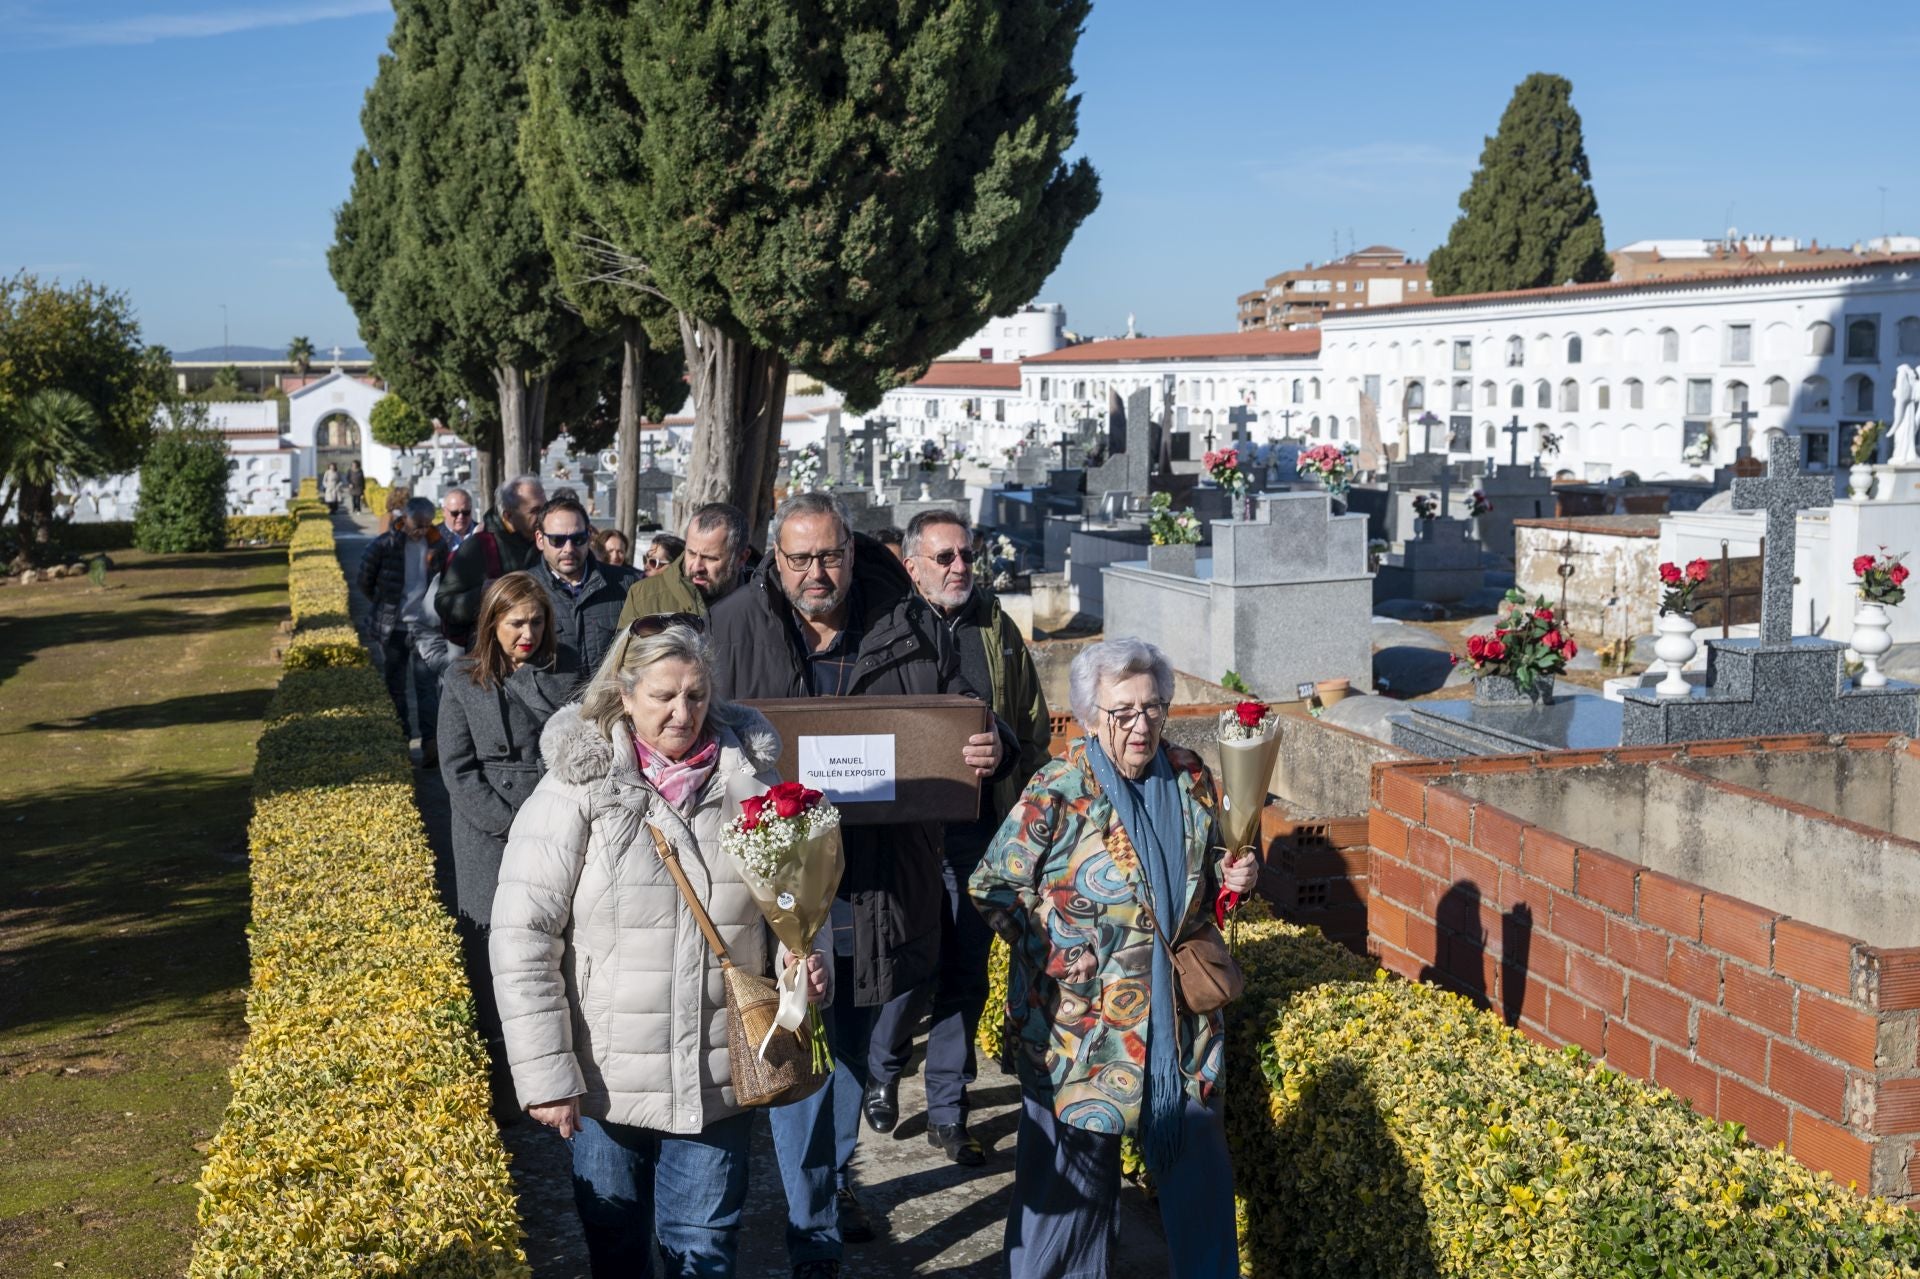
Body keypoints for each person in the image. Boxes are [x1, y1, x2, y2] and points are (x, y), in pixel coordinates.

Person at [708, 490, 1011, 1273]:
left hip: (876, 878)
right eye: (800, 558)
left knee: (846, 1047)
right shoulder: (735, 624)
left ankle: (833, 1179)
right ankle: (809, 1216)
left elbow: (969, 711)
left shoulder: (909, 618)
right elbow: (695, 726)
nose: (818, 572)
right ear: (774, 560)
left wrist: (993, 748)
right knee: (790, 1040)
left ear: (853, 550)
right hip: (777, 877)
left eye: (831, 555)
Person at [491, 618, 831, 1278]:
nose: (684, 713)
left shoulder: (756, 786)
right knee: (617, 1253)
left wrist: (804, 969)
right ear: (625, 694)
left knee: (703, 1251)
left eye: (698, 696)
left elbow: (796, 920)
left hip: (719, 1077)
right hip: (604, 1081)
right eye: (665, 696)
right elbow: (523, 937)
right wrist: (548, 1078)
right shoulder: (577, 789)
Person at [969, 638, 1258, 1279]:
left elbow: (1212, 871)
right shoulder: (1059, 787)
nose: (1140, 725)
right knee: (1065, 1192)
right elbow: (992, 886)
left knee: (1199, 1171)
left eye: (1152, 708)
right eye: (1122, 711)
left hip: (1179, 1026)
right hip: (1081, 1029)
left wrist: (1238, 872)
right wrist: (1058, 947)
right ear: (1091, 716)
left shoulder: (1192, 777)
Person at [872, 510, 1051, 1165]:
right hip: (909, 836)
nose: (959, 568)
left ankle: (949, 1111)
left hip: (979, 833)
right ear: (912, 564)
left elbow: (1030, 727)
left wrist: (1002, 750)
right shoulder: (885, 631)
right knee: (909, 969)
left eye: (966, 556)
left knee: (965, 973)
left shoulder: (996, 629)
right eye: (943, 557)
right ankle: (882, 1067)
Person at [438, 573, 576, 1081]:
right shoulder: (462, 679)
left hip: (557, 816)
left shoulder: (569, 673)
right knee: (491, 948)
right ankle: (498, 1076)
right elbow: (457, 768)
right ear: (492, 622)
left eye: (537, 621)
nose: (528, 633)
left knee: (557, 942)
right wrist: (509, 825)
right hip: (486, 832)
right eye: (516, 622)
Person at [356, 496, 451, 765]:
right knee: (395, 687)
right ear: (405, 518)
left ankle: (431, 746)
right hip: (393, 627)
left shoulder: (437, 545)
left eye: (425, 524)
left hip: (425, 627)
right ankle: (401, 743)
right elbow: (365, 578)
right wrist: (382, 602)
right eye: (416, 524)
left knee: (426, 687)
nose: (420, 530)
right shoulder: (385, 544)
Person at [532, 495, 641, 678]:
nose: (568, 548)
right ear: (540, 539)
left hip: (610, 703)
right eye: (557, 540)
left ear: (589, 535)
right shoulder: (524, 589)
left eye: (578, 539)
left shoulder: (626, 585)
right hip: (551, 706)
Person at [436, 475, 547, 648]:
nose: (543, 517)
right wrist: (482, 594)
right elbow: (444, 604)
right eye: (534, 511)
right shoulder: (478, 547)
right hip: (491, 657)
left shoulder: (550, 542)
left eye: (545, 508)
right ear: (508, 515)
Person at [615, 503, 753, 628]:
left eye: (710, 558)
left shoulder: (763, 604)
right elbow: (625, 654)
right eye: (691, 553)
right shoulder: (643, 597)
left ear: (741, 558)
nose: (696, 566)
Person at [440, 487, 475, 553]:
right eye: (455, 513)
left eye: (466, 512)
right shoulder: (433, 536)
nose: (461, 516)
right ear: (444, 512)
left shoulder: (485, 533)